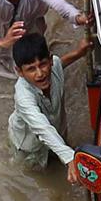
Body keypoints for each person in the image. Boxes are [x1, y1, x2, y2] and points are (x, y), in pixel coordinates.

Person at [9, 31, 93, 176]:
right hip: (29, 146)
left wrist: (79, 53)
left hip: (57, 130)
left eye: (42, 64)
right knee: (32, 175)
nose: (40, 73)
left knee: (59, 151)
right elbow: (42, 128)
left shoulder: (55, 67)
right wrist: (70, 158)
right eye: (31, 69)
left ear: (50, 60)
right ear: (19, 72)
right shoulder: (23, 96)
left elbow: (62, 62)